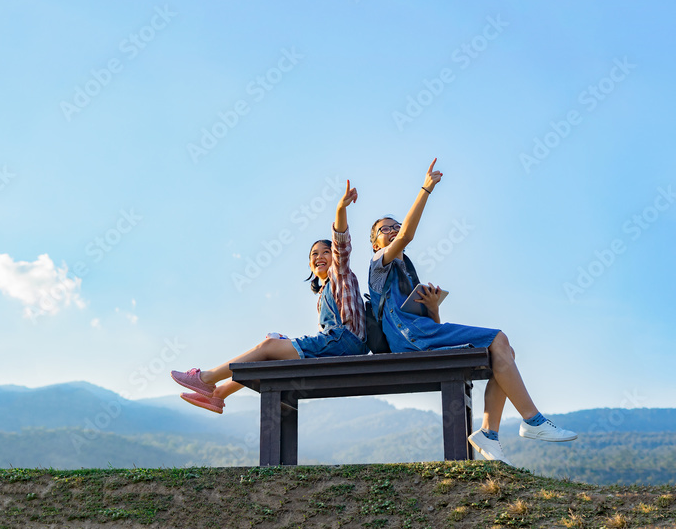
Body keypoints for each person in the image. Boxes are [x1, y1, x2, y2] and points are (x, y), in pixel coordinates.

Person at [367, 158, 576, 464]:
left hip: (421, 333)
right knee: (498, 338)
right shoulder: (378, 263)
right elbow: (407, 237)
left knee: (505, 350)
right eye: (385, 229)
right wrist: (426, 188)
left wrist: (433, 307)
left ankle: (488, 434)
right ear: (375, 242)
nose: (393, 231)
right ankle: (533, 422)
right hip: (408, 338)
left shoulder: (407, 270)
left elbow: (430, 327)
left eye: (395, 226)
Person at [171, 180, 369, 413]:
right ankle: (218, 395)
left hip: (346, 341)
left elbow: (341, 245)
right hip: (337, 343)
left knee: (268, 346)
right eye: (314, 254)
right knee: (272, 345)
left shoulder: (340, 274)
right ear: (309, 264)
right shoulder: (324, 293)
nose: (320, 256)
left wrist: (340, 209)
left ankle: (206, 378)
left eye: (326, 252)